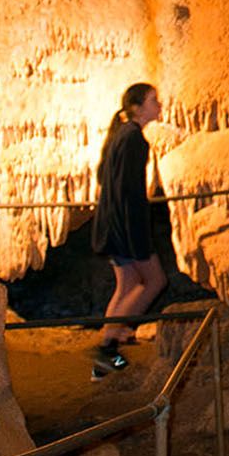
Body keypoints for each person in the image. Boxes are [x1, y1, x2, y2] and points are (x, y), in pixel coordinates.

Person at [90, 82, 168, 377]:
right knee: (154, 281)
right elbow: (130, 191)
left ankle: (105, 362)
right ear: (137, 108)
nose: (158, 105)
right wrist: (138, 237)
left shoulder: (121, 135)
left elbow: (103, 178)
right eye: (153, 101)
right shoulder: (134, 139)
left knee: (127, 286)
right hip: (125, 225)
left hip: (112, 222)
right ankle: (107, 350)